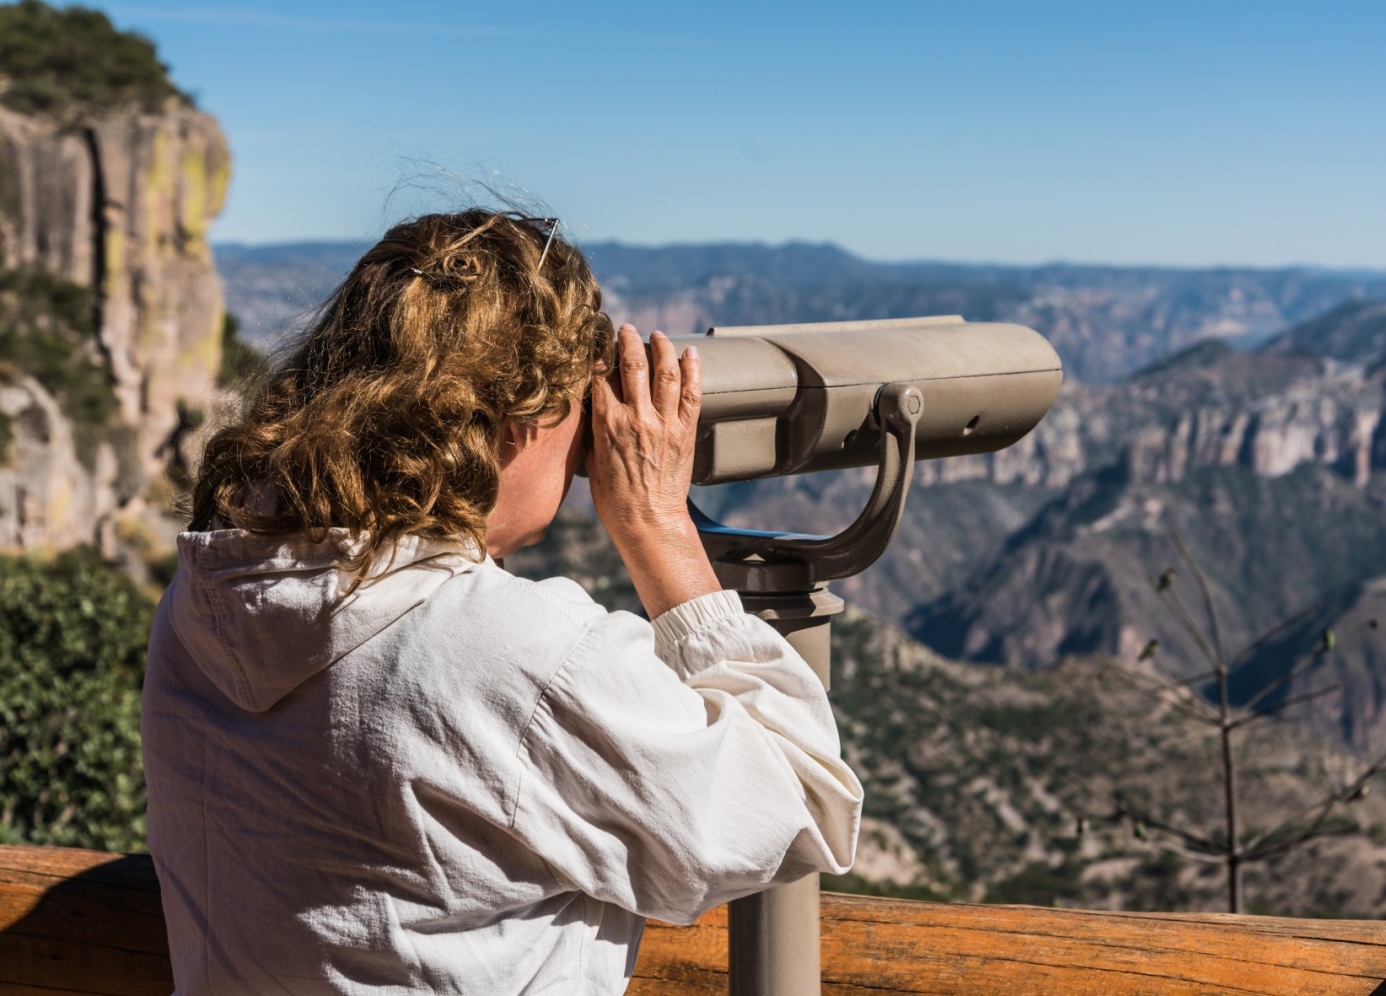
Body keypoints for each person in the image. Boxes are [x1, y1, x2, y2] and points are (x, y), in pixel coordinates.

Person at [141, 209, 863, 995]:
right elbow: (800, 804)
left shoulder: (209, 596)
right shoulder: (517, 654)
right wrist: (657, 523)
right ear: (522, 423)